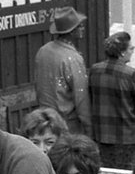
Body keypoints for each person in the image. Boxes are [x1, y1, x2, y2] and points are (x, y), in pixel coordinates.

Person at [88, 30, 135, 170]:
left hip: (102, 135)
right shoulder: (131, 75)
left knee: (107, 173)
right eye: (130, 48)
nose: (132, 50)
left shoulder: (94, 70)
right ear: (122, 53)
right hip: (128, 137)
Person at [34, 7, 92, 135]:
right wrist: (88, 126)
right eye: (80, 27)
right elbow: (81, 96)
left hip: (44, 117)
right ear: (72, 32)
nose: (82, 29)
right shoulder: (73, 59)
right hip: (67, 122)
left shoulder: (43, 51)